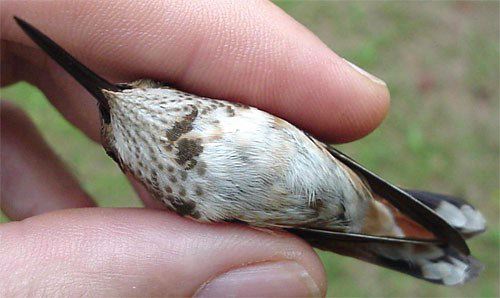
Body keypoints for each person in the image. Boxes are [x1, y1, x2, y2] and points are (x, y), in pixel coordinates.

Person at [0, 1, 389, 296]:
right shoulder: (182, 195)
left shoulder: (223, 113)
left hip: (321, 174)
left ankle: (397, 223)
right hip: (295, 212)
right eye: (113, 145)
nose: (122, 101)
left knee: (373, 209)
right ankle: (396, 234)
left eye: (146, 88)